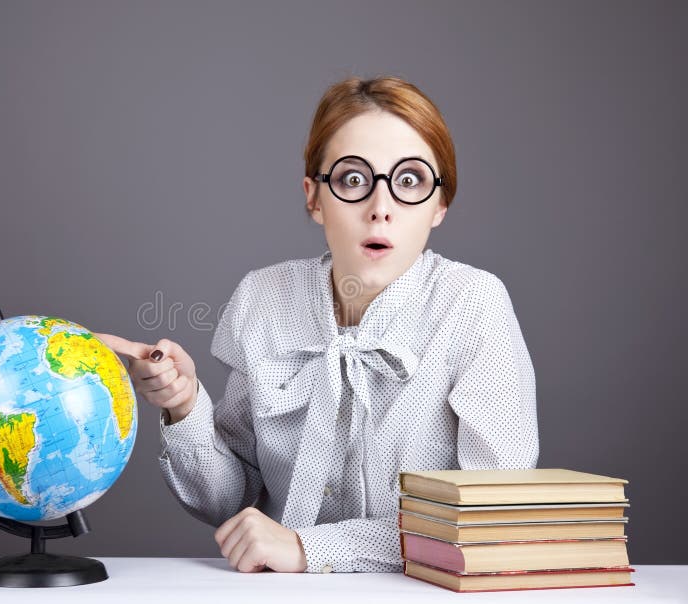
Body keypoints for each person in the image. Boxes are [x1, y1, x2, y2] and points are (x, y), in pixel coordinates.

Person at [95, 75, 539, 575]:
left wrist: (310, 549)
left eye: (410, 180)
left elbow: (493, 516)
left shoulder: (474, 305)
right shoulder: (263, 300)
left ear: (440, 203)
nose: (380, 208)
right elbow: (228, 501)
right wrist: (184, 405)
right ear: (314, 197)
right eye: (353, 179)